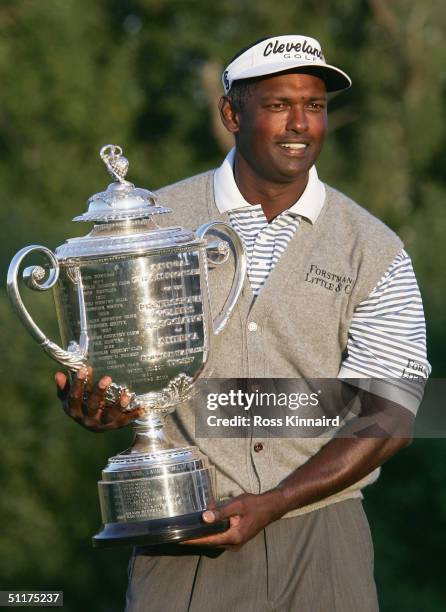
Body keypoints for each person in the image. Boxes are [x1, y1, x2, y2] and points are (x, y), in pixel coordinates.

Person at [56, 35, 430, 611]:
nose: (300, 125)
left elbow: (392, 411)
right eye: (279, 105)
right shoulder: (152, 226)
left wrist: (277, 500)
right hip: (180, 535)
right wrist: (103, 400)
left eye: (315, 105)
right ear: (232, 113)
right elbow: (108, 367)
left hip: (324, 539)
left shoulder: (373, 248)